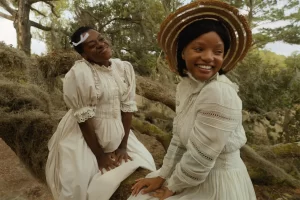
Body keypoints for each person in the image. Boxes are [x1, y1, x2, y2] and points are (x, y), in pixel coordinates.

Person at [129, 0, 256, 199]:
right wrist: (162, 175)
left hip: (217, 184)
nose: (208, 57)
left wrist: (172, 187)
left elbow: (202, 155)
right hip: (192, 176)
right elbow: (180, 137)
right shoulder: (186, 87)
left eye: (218, 52)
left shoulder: (219, 92)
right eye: (199, 49)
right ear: (183, 52)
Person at [45, 26, 156, 200]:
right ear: (84, 55)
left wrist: (123, 146)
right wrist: (99, 155)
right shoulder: (80, 73)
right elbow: (84, 120)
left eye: (101, 39)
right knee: (78, 183)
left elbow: (126, 110)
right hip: (86, 135)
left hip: (117, 130)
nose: (100, 45)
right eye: (91, 45)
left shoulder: (123, 69)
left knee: (147, 161)